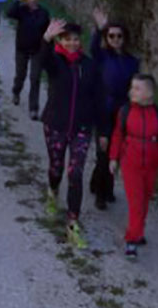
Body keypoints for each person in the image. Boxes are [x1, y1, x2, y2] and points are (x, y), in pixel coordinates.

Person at [39, 19, 105, 249]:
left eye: (76, 39)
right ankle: (52, 191)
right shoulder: (55, 61)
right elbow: (41, 60)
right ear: (60, 40)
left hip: (82, 128)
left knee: (75, 173)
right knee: (56, 168)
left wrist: (102, 129)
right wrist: (46, 39)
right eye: (67, 39)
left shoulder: (88, 65)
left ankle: (72, 223)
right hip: (55, 125)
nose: (72, 43)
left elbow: (98, 97)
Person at [109, 74, 158, 259]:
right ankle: (131, 240)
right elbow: (117, 135)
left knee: (145, 200)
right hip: (131, 164)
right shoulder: (125, 112)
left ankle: (138, 231)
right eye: (132, 87)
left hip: (151, 165)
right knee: (136, 203)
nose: (132, 92)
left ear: (149, 93)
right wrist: (113, 158)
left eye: (137, 89)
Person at [89, 8, 140, 210]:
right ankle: (101, 194)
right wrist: (100, 28)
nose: (115, 39)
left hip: (122, 111)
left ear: (124, 38)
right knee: (103, 152)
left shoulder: (132, 62)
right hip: (103, 109)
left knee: (116, 152)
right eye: (111, 36)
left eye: (119, 36)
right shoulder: (102, 57)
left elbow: (135, 87)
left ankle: (102, 184)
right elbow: (93, 47)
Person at [6, 0, 50, 120]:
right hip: (22, 48)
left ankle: (33, 108)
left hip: (37, 49)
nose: (32, 0)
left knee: (35, 78)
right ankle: (16, 91)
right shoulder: (21, 10)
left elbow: (48, 31)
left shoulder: (43, 12)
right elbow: (9, 13)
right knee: (21, 74)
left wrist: (48, 49)